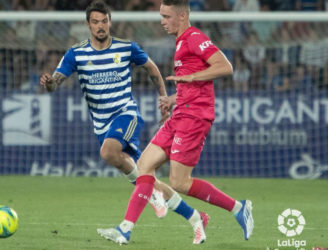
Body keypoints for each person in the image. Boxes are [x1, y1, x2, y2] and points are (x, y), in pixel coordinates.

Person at [97, 0, 254, 245]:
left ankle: (238, 208)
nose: (162, 21)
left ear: (181, 16)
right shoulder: (181, 41)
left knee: (179, 183)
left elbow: (225, 66)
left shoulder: (194, 37)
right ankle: (125, 229)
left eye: (166, 16)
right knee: (144, 165)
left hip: (194, 118)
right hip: (181, 112)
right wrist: (173, 98)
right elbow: (194, 86)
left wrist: (190, 77)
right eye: (161, 15)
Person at [40, 0, 201, 223]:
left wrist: (164, 98)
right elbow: (55, 83)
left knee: (107, 152)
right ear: (88, 24)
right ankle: (194, 217)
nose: (101, 26)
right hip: (102, 125)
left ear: (110, 22)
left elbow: (152, 69)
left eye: (104, 21)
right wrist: (48, 82)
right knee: (147, 178)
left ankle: (152, 196)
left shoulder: (126, 47)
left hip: (126, 115)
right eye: (96, 22)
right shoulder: (76, 54)